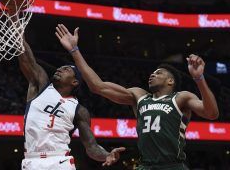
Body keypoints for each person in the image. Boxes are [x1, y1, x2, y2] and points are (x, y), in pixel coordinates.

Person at [55, 24, 219, 170]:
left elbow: (211, 114)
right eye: (153, 72)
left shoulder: (181, 98)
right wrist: (74, 51)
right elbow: (98, 86)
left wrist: (199, 79)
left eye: (159, 73)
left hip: (173, 165)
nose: (152, 75)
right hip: (145, 165)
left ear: (170, 81)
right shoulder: (139, 96)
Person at [18, 38, 125, 170]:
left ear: (74, 82)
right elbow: (26, 60)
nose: (59, 69)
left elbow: (92, 147)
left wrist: (107, 155)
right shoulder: (40, 86)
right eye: (60, 68)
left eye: (66, 69)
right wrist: (18, 32)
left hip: (59, 161)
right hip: (31, 161)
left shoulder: (79, 110)